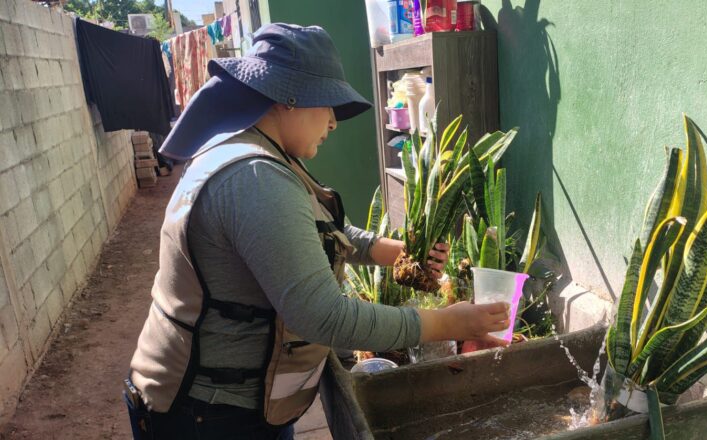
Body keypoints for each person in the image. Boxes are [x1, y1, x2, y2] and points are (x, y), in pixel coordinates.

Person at [124, 23, 510, 439]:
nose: (333, 122)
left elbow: (329, 231)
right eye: (328, 105)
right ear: (287, 98)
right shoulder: (256, 177)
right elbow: (324, 317)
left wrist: (399, 253)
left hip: (231, 404)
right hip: (207, 414)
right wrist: (448, 324)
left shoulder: (261, 154)